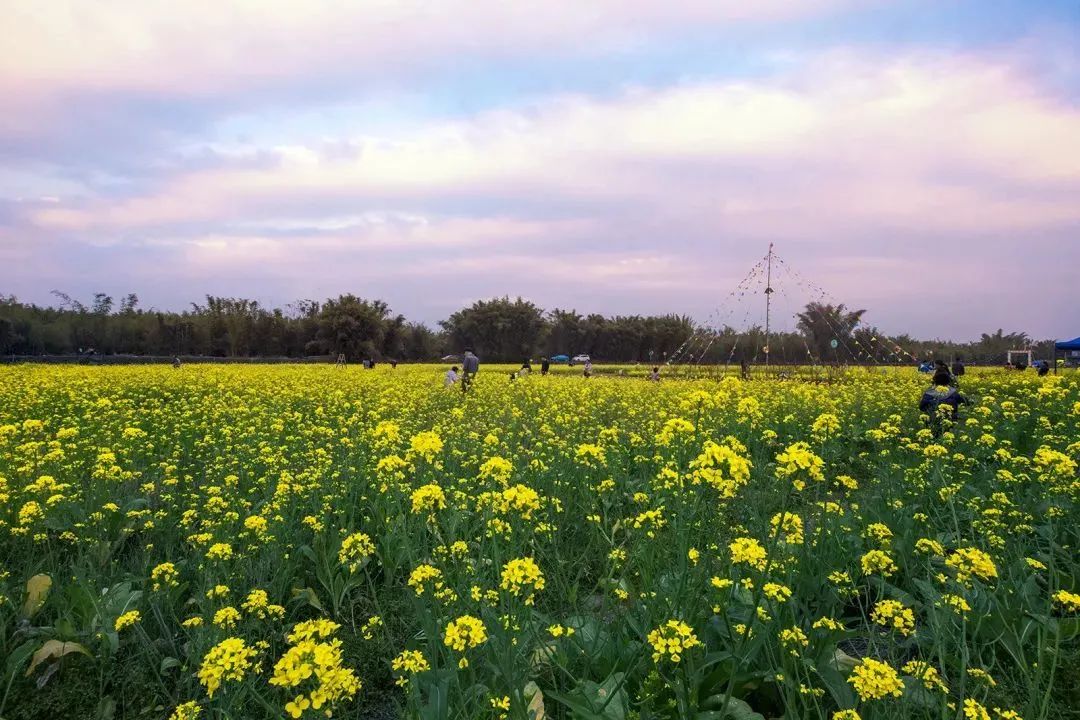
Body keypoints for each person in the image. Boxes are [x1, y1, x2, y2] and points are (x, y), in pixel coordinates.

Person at [919, 367, 968, 434]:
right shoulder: (953, 392)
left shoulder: (929, 393)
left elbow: (921, 407)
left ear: (934, 381)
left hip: (932, 421)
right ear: (948, 381)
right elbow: (964, 401)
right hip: (950, 421)